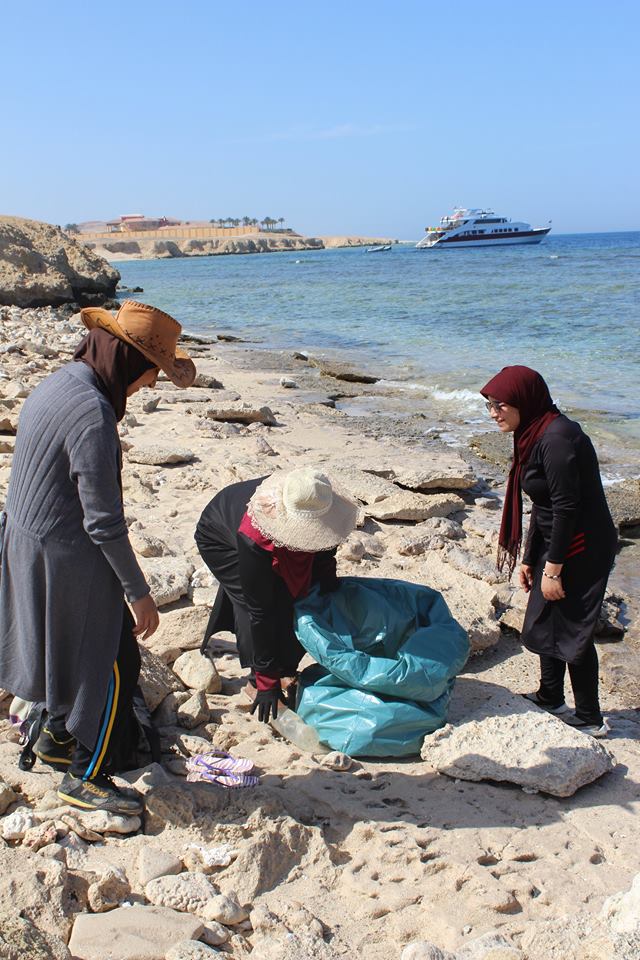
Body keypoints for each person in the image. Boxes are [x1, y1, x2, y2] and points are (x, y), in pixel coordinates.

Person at [0, 300, 196, 813]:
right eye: (152, 371)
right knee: (109, 660)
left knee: (61, 646)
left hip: (26, 538)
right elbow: (103, 523)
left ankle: (57, 736)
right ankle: (87, 776)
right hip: (63, 553)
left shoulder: (62, 380)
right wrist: (139, 594)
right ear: (129, 361)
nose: (151, 384)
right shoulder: (93, 414)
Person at [480, 365, 617, 737]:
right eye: (489, 405)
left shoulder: (557, 439)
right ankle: (551, 696)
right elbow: (543, 505)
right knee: (543, 616)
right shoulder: (531, 432)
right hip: (556, 536)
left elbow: (567, 507)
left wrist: (553, 569)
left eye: (499, 405)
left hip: (582, 545)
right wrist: (529, 559)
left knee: (572, 626)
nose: (493, 414)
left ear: (524, 401)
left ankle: (590, 717)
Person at [195, 468, 358, 722]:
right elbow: (260, 611)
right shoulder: (255, 534)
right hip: (219, 537)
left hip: (252, 533)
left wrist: (328, 586)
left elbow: (325, 552)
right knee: (257, 604)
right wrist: (267, 681)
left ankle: (284, 667)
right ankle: (256, 679)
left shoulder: (319, 501)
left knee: (300, 596)